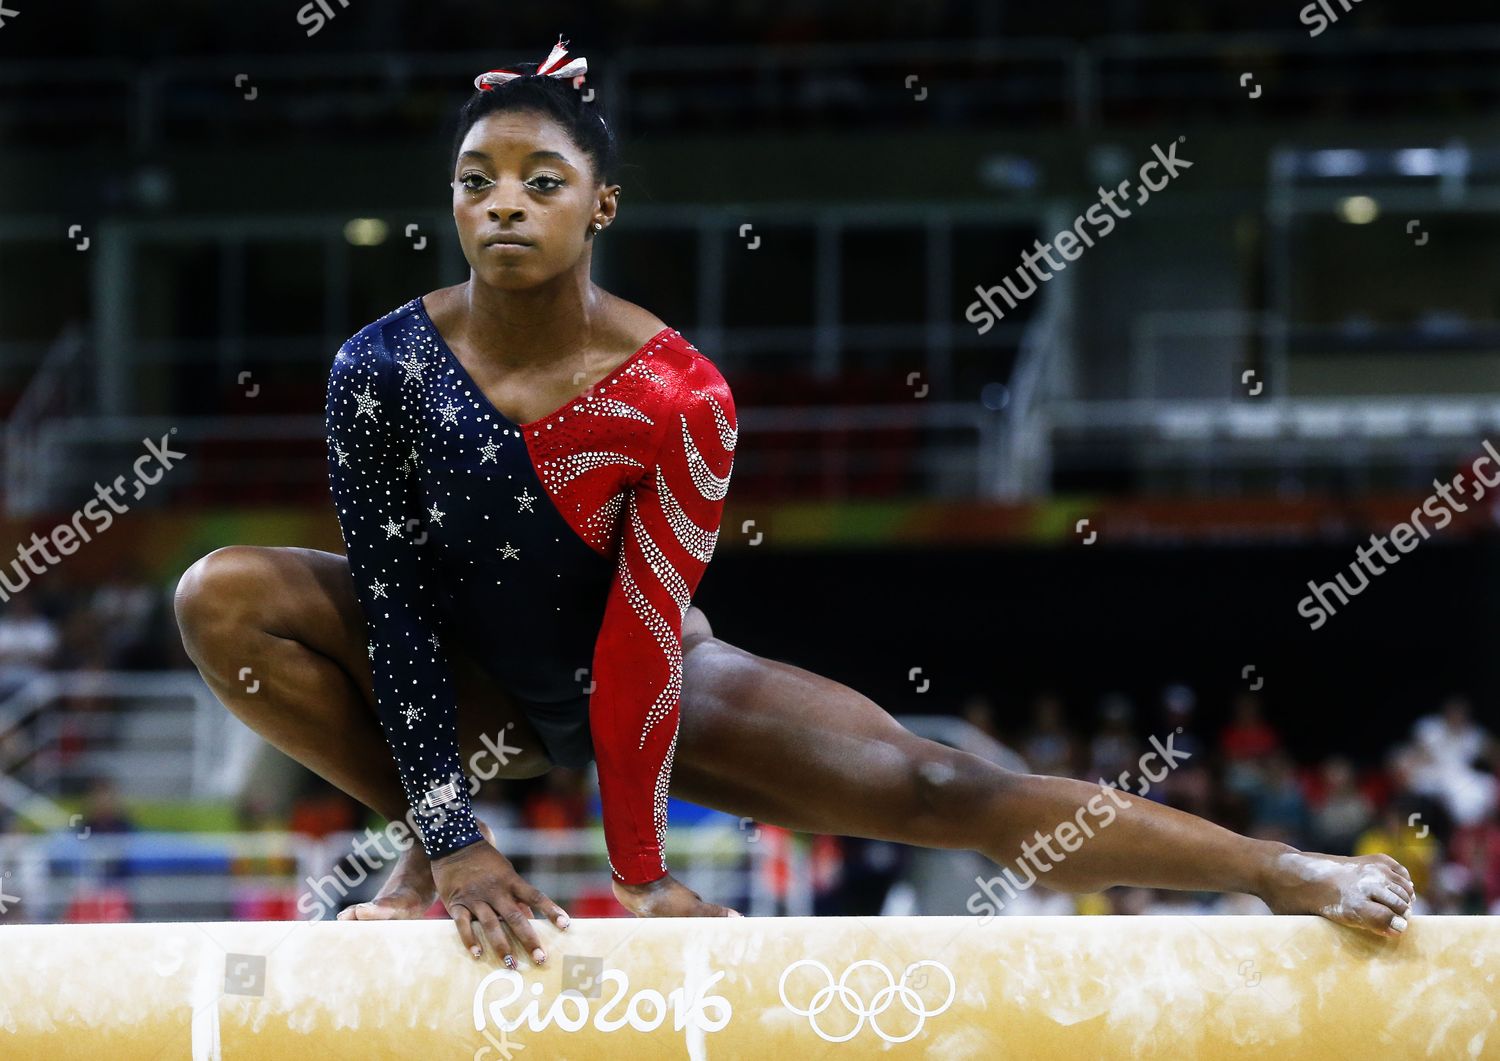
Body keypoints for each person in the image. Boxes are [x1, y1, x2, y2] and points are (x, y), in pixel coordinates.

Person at [172, 36, 1415, 971]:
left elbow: (642, 633)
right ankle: (433, 832)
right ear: (449, 201)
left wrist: (643, 872)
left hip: (654, 679)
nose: (505, 200)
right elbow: (391, 613)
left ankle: (1278, 868)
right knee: (222, 596)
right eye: (476, 177)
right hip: (450, 665)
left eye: (542, 178)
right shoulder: (378, 368)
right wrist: (447, 836)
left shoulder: (677, 392)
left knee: (938, 787)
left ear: (600, 204)